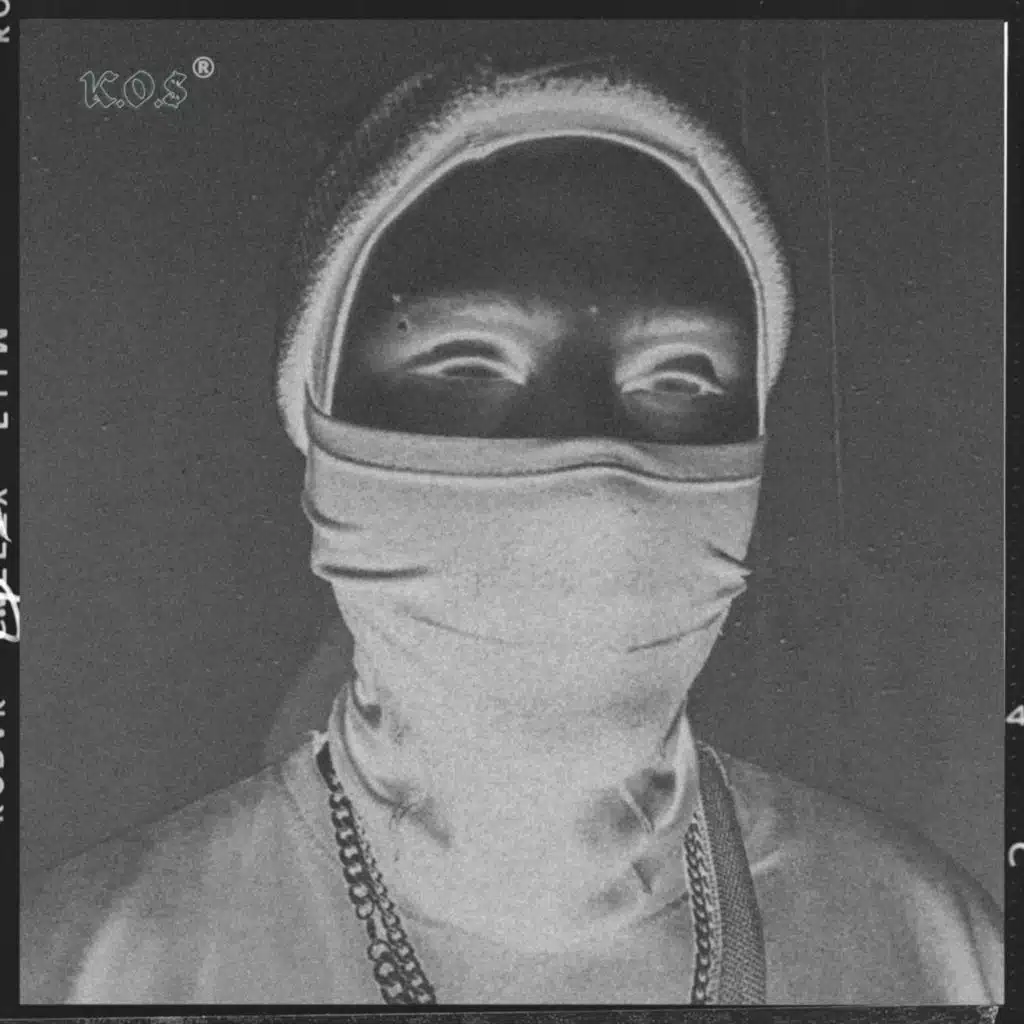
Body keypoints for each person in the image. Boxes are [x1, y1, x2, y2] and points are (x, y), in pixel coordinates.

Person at [20, 54, 1003, 1006]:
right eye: (465, 364)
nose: (595, 489)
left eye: (680, 376)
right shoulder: (79, 965)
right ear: (318, 428)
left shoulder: (938, 953)